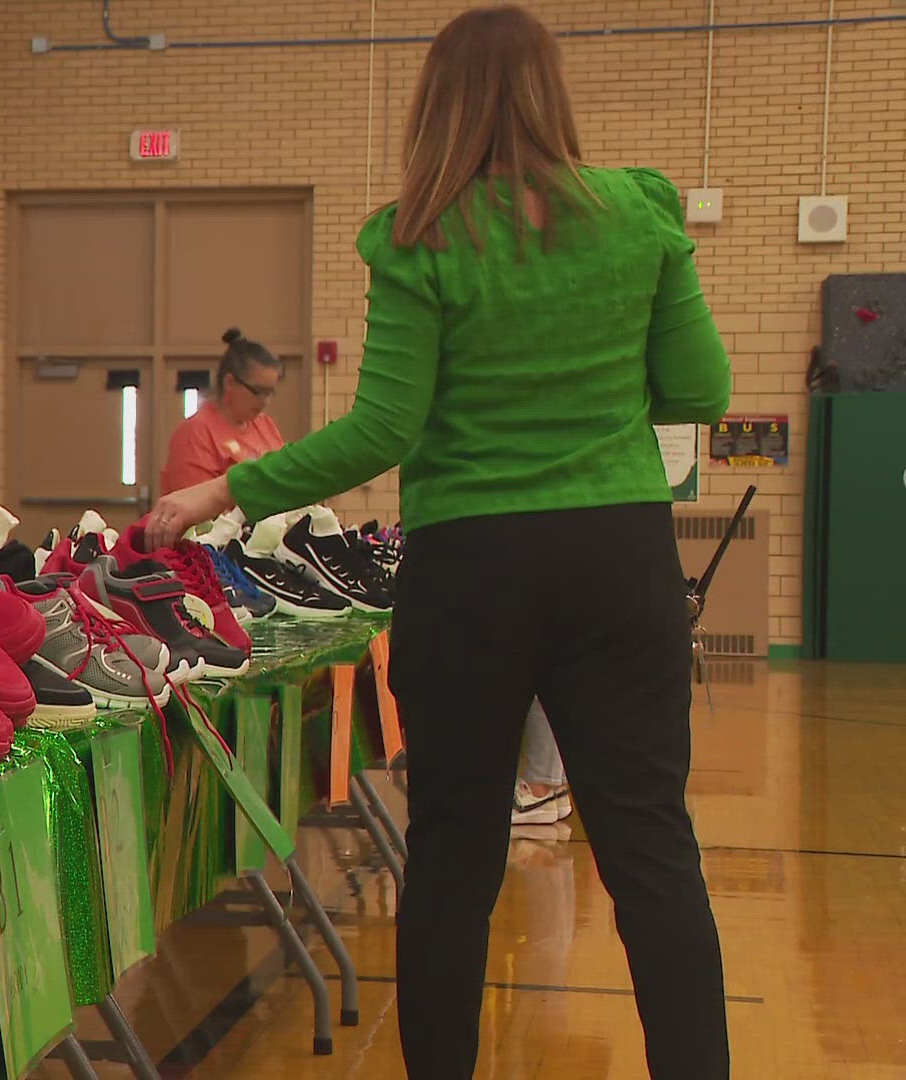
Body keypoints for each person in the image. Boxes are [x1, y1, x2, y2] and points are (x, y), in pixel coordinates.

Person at [147, 6, 731, 1077]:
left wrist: (224, 490)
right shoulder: (641, 217)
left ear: (436, 105)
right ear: (555, 91)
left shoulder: (422, 235)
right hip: (618, 560)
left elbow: (385, 431)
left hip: (473, 576)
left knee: (457, 854)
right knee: (651, 847)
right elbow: (701, 389)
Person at [158, 328, 285, 496]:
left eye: (269, 393)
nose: (265, 401)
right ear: (230, 382)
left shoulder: (265, 425)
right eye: (258, 391)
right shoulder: (197, 433)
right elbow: (195, 509)